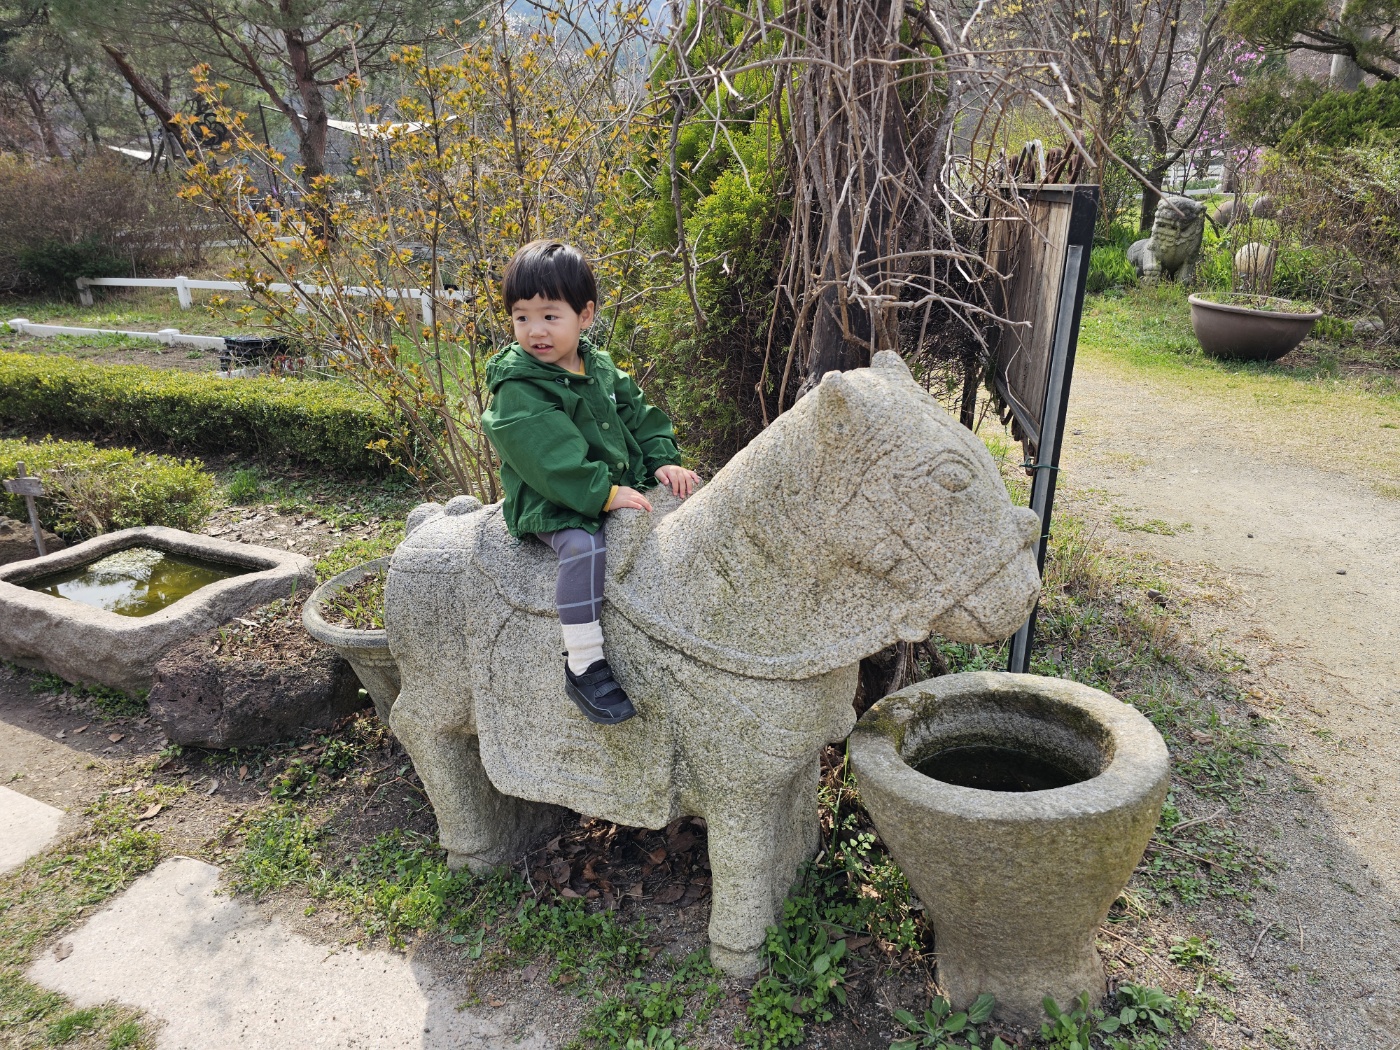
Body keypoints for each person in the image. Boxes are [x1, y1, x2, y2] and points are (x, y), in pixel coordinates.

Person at [481, 240, 701, 725]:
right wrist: (601, 494)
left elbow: (638, 412)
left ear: (585, 315)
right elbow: (551, 459)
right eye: (522, 317)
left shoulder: (596, 365)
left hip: (612, 482)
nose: (535, 330)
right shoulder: (519, 388)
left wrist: (663, 460)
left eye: (549, 316)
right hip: (554, 499)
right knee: (582, 546)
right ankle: (583, 661)